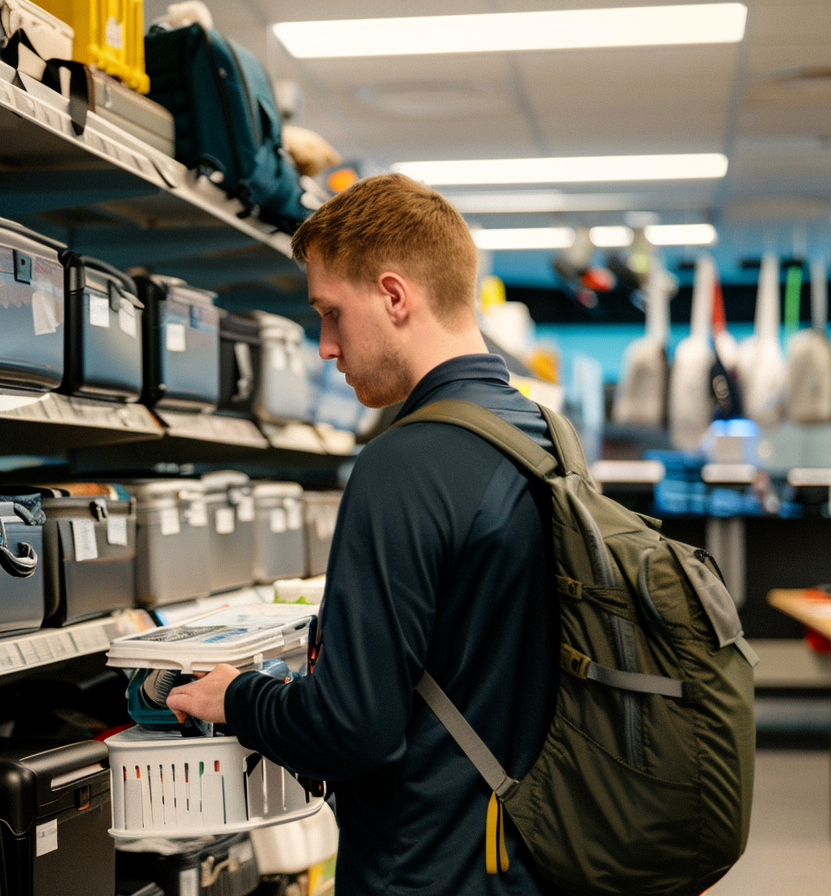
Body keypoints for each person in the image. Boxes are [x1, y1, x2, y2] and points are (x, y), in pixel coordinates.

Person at [166, 173, 562, 896]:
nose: (324, 346)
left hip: (427, 867)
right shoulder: (545, 438)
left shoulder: (404, 464)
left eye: (331, 314)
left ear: (394, 295)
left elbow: (355, 727)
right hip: (533, 855)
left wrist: (241, 697)